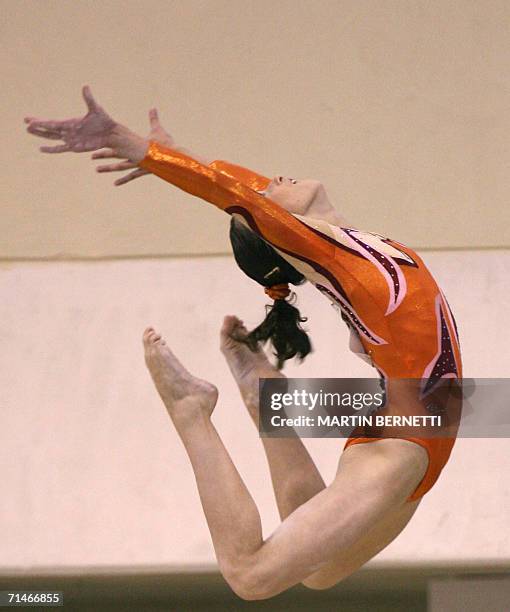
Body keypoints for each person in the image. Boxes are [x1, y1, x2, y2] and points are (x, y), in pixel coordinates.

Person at [25, 86, 462, 600]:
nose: (273, 180)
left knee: (318, 572)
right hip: (405, 442)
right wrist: (137, 147)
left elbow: (242, 186)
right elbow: (235, 195)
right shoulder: (340, 263)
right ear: (279, 234)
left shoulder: (353, 252)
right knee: (249, 577)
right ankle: (191, 409)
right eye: (268, 201)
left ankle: (263, 401)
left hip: (420, 431)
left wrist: (179, 155)